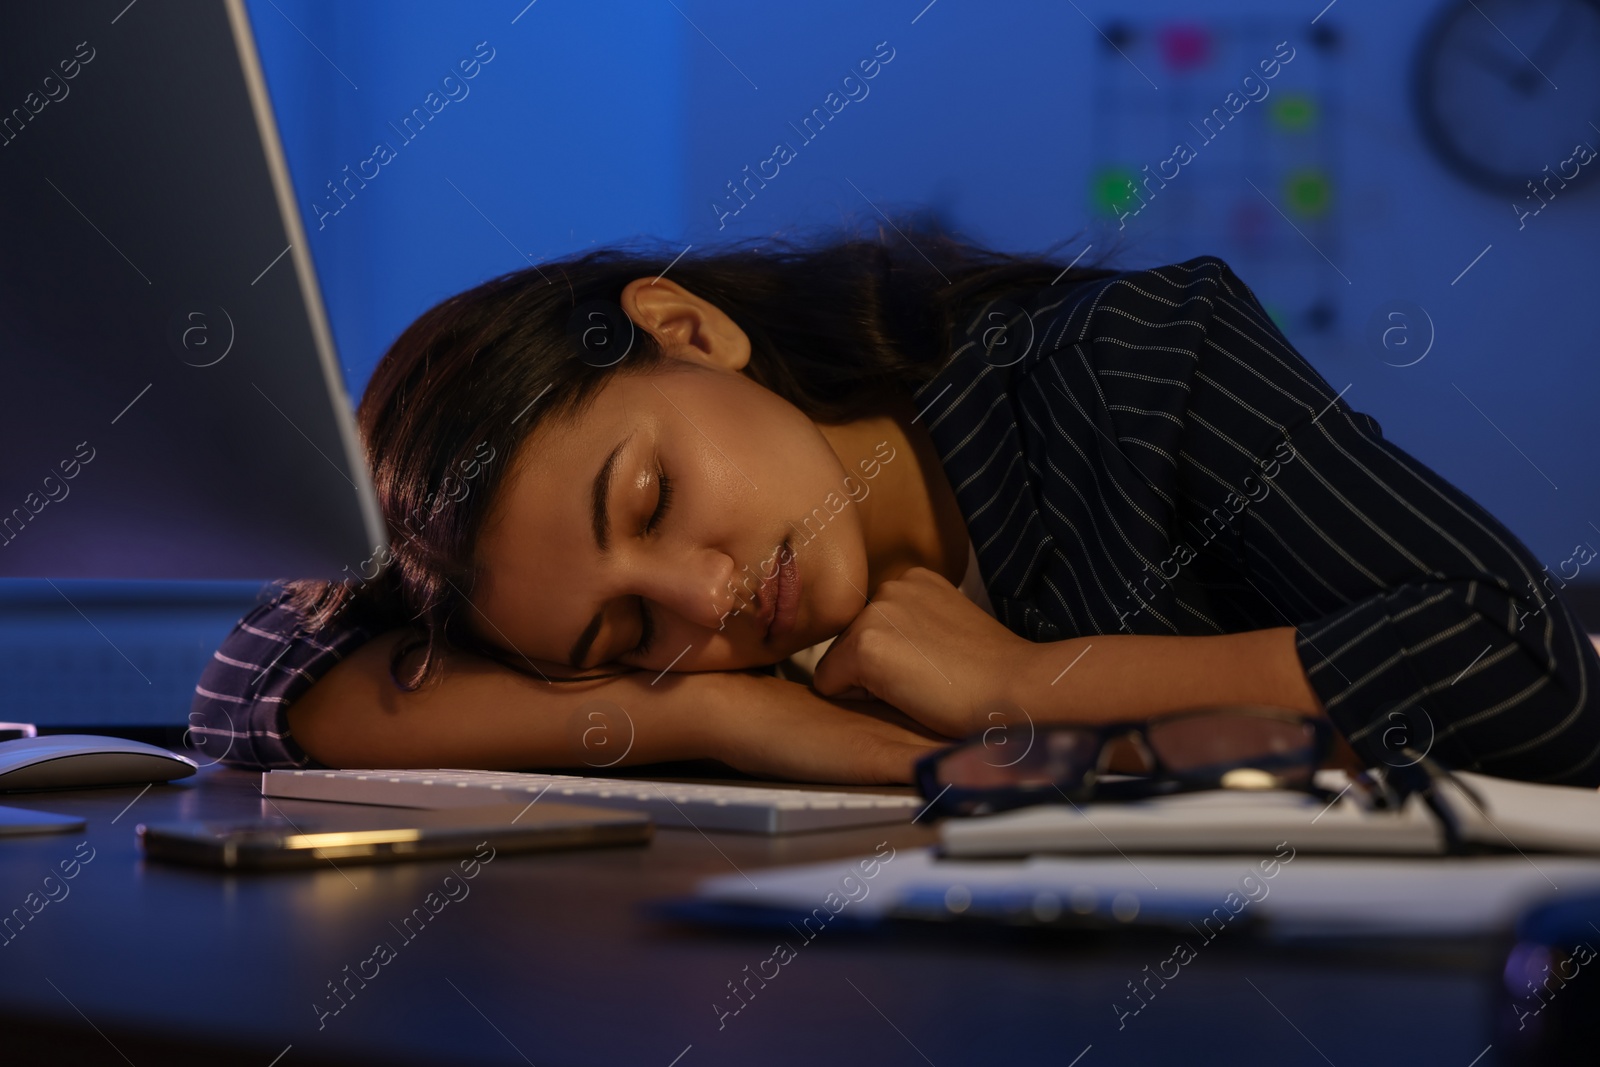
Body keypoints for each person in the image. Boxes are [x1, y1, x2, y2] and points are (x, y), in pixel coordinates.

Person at [189, 224, 1600, 786]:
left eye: (656, 496)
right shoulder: (748, 668)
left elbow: (1525, 677)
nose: (702, 600)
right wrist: (716, 712)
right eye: (626, 635)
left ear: (688, 329)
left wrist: (1028, 683)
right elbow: (256, 684)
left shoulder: (1133, 364)